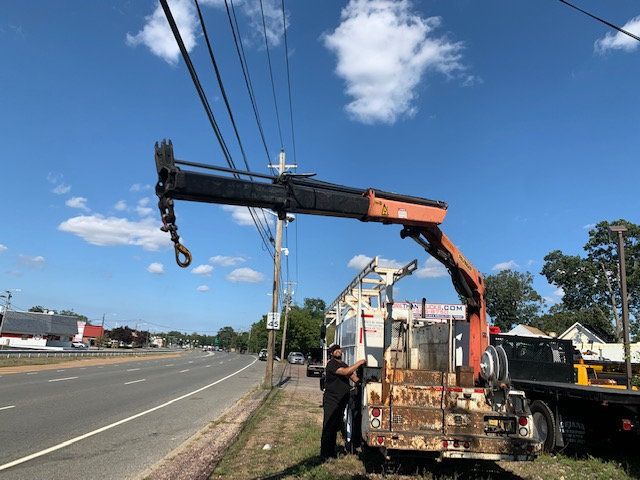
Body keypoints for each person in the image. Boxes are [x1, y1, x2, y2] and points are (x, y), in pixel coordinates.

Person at [320, 344, 366, 460]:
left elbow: (354, 378)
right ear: (331, 353)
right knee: (329, 426)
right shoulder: (331, 364)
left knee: (335, 426)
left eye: (339, 349)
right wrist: (359, 363)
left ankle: (332, 453)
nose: (338, 351)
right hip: (331, 399)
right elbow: (345, 372)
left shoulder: (344, 364)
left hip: (341, 400)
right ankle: (325, 454)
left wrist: (363, 381)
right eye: (335, 350)